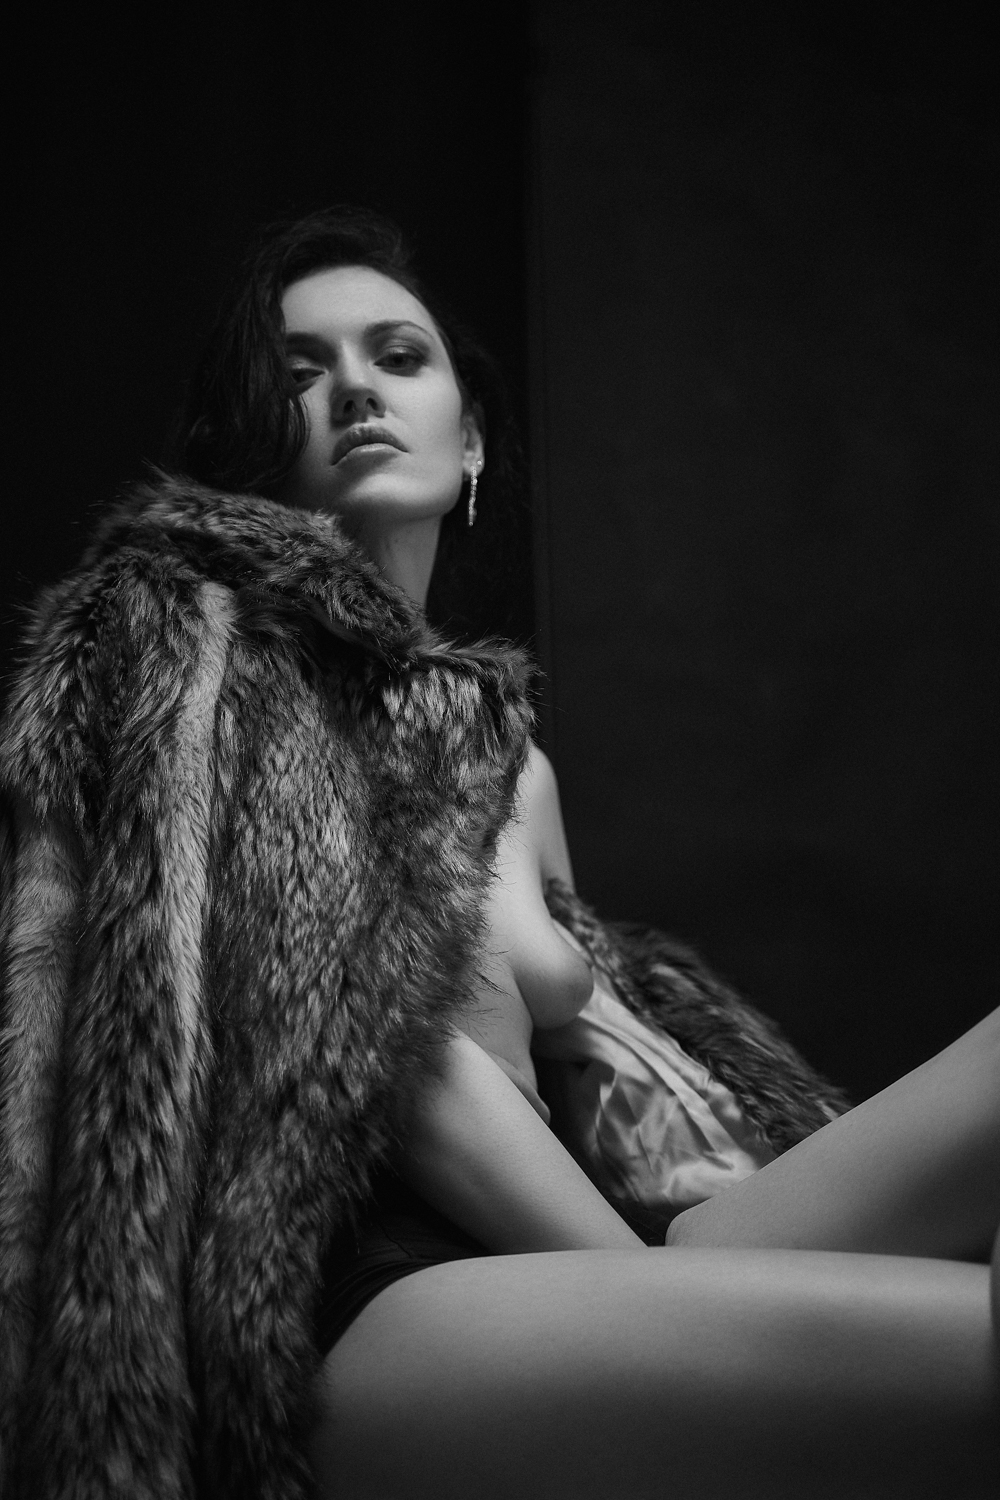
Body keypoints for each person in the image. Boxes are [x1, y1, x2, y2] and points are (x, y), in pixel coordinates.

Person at [0, 207, 996, 1500]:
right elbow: (384, 1059)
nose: (355, 388)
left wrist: (711, 1226)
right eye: (299, 372)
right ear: (253, 443)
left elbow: (600, 1079)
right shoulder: (207, 659)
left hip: (589, 1266)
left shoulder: (514, 767)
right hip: (374, 1304)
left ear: (468, 439)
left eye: (398, 355)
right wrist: (652, 1293)